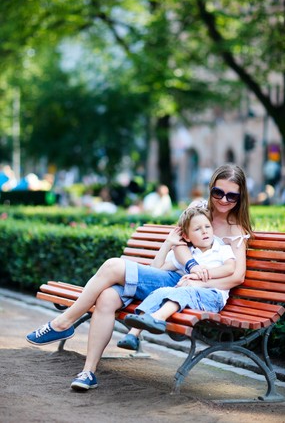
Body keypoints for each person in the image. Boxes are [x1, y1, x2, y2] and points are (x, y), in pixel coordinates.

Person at [26, 164, 252, 392]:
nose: (224, 200)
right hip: (172, 276)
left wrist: (199, 281)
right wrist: (192, 267)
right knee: (106, 297)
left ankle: (63, 323)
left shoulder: (236, 229)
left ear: (241, 196)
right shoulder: (198, 210)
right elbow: (179, 245)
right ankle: (88, 371)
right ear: (211, 188)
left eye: (232, 195)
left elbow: (236, 276)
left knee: (113, 266)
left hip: (186, 287)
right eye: (218, 192)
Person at [122, 207, 235, 337]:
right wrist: (168, 243)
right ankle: (133, 334)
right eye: (198, 229)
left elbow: (230, 268)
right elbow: (156, 269)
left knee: (182, 290)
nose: (204, 231)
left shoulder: (222, 249)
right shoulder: (188, 255)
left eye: (207, 227)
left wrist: (200, 274)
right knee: (162, 291)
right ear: (186, 237)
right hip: (188, 293)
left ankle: (158, 318)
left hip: (213, 297)